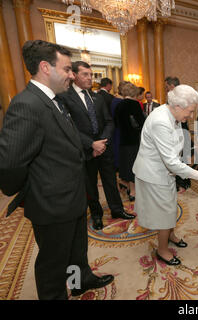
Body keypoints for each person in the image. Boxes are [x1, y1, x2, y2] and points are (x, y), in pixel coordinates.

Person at [0, 40, 113, 299]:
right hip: (51, 201)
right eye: (67, 69)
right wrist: (33, 189)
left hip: (71, 196)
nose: (72, 75)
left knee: (75, 250)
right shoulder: (27, 104)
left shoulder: (53, 100)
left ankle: (79, 281)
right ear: (45, 67)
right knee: (53, 264)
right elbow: (9, 164)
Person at [132, 85, 198, 266]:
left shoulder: (171, 115)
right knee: (164, 212)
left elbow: (175, 146)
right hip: (154, 173)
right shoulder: (161, 121)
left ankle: (170, 235)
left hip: (165, 171)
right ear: (177, 106)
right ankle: (162, 249)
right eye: (190, 112)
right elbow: (172, 162)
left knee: (170, 206)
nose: (190, 116)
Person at [59, 61, 135, 231]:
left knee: (110, 181)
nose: (90, 78)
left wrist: (101, 142)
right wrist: (91, 144)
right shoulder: (65, 97)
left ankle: (117, 209)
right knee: (90, 185)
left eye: (91, 74)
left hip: (103, 148)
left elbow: (109, 122)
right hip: (85, 151)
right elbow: (68, 127)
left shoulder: (97, 97)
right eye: (85, 74)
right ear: (74, 75)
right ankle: (97, 215)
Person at [114, 82, 146, 202]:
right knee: (134, 165)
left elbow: (116, 123)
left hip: (123, 140)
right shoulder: (135, 104)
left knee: (127, 164)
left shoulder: (119, 105)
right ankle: (133, 191)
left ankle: (125, 184)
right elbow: (142, 122)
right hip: (134, 139)